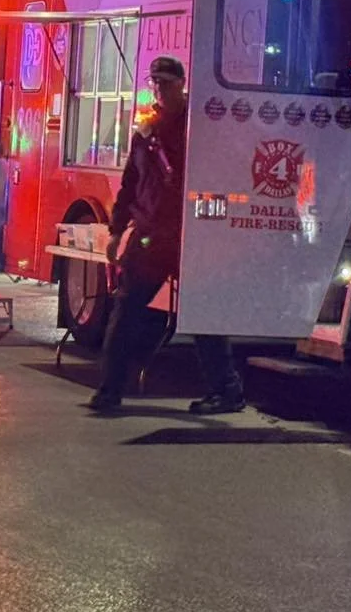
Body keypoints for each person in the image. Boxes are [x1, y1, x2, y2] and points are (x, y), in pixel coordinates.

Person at [87, 56, 245, 416]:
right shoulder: (146, 133)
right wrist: (115, 233)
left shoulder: (202, 129)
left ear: (182, 85)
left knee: (204, 312)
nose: (159, 88)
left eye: (166, 83)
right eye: (154, 82)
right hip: (151, 236)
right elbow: (129, 187)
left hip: (193, 236)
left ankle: (227, 391)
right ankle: (110, 390)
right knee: (126, 311)